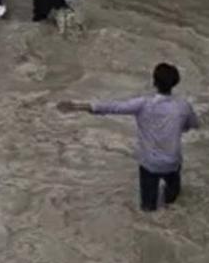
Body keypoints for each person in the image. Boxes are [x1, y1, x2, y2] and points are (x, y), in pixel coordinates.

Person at [57, 63, 200, 212]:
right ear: (175, 83)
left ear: (154, 82)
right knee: (173, 202)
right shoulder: (183, 106)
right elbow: (194, 125)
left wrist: (77, 106)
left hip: (150, 164)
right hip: (172, 163)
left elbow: (113, 107)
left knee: (148, 209)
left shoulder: (143, 104)